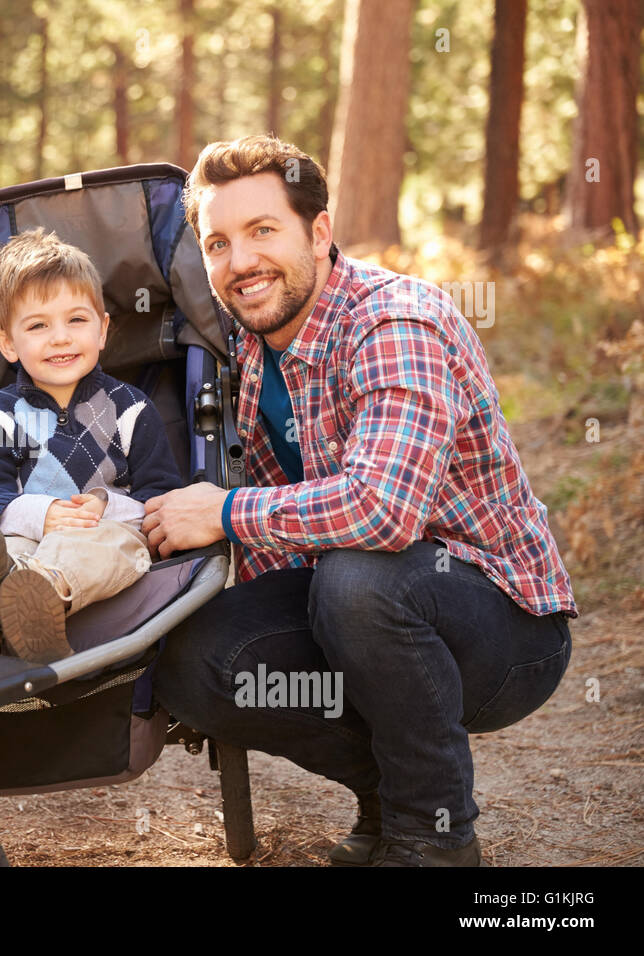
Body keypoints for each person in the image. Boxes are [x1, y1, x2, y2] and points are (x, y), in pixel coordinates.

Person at [142, 135, 576, 867]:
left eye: (262, 231)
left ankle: (434, 839)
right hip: (361, 609)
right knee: (193, 654)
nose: (240, 262)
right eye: (217, 243)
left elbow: (383, 511)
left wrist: (219, 513)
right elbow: (285, 523)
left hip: (504, 632)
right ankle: (394, 796)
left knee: (359, 580)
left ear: (318, 230)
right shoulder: (251, 349)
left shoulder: (395, 321)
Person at [0, 228, 182, 663]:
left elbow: (160, 500)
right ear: (7, 344)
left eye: (76, 320)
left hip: (105, 537)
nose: (60, 337)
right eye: (38, 325)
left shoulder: (132, 409)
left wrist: (104, 507)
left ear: (102, 329)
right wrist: (43, 516)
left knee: (121, 545)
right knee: (3, 550)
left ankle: (39, 593)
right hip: (29, 541)